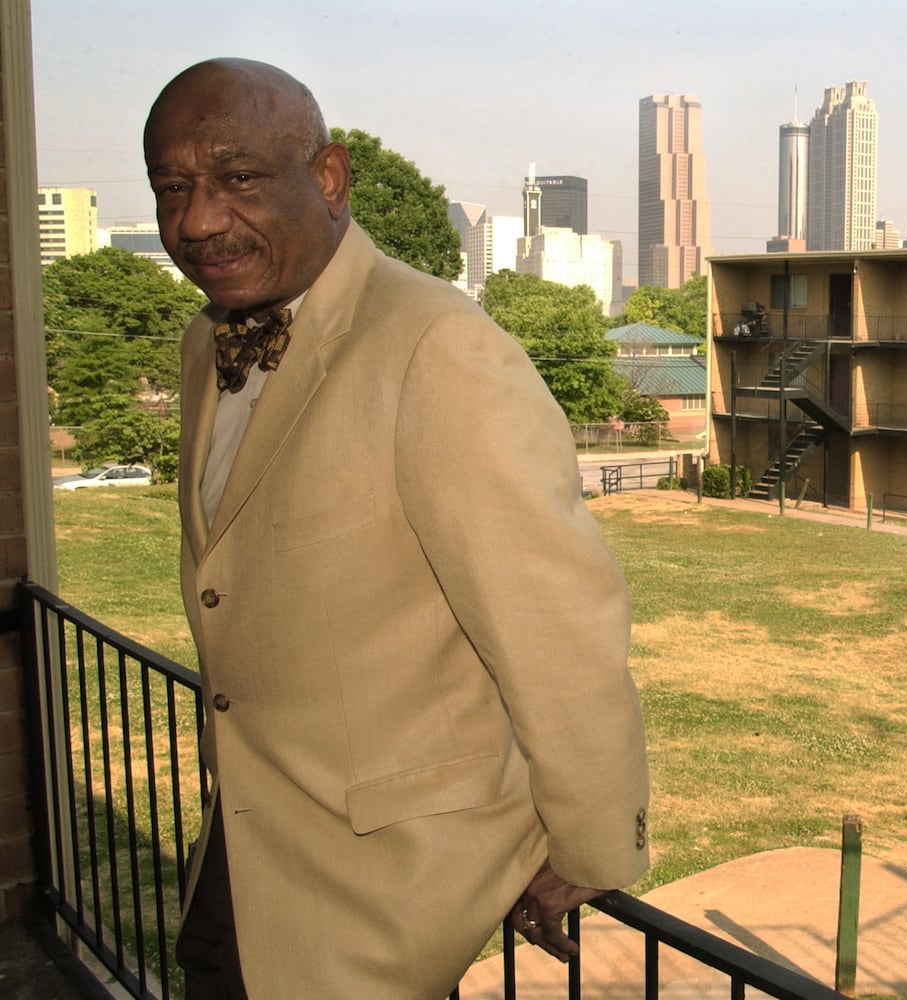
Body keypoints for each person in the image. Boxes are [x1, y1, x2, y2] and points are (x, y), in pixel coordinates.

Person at [145, 59, 650, 999]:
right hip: (248, 851)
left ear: (329, 178)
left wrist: (590, 842)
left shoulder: (435, 344)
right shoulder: (205, 341)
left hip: (385, 890)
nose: (199, 220)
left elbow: (554, 622)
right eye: (172, 189)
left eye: (238, 178)